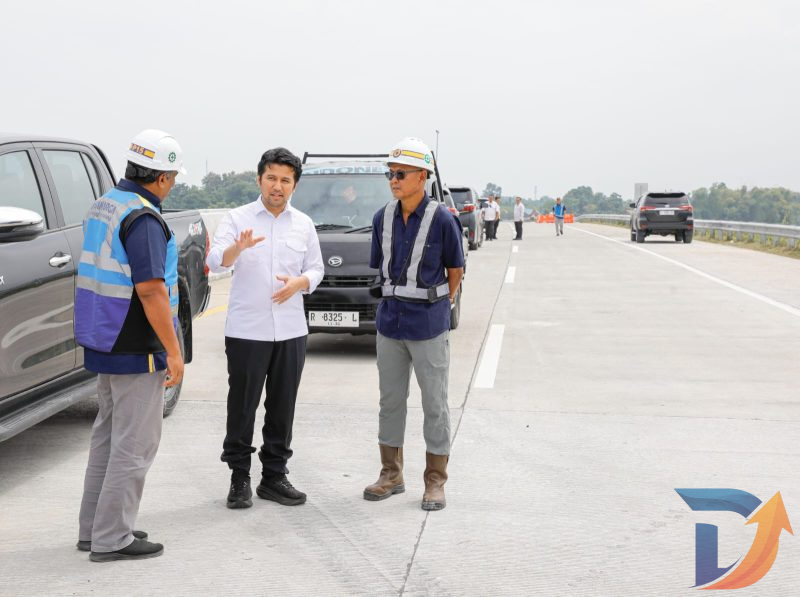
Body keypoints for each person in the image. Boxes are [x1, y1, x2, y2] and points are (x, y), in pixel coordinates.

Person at [75, 129, 186, 562]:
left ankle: (95, 529)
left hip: (104, 335)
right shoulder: (143, 219)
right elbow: (152, 290)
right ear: (162, 178)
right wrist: (174, 350)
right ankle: (113, 538)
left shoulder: (105, 203)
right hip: (134, 341)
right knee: (134, 444)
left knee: (107, 436)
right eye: (173, 177)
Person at [206, 148, 323, 509]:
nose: (277, 186)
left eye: (285, 180)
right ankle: (239, 477)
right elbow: (215, 261)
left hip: (290, 330)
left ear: (294, 186)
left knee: (282, 406)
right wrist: (235, 250)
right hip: (247, 330)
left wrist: (300, 283)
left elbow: (316, 269)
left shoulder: (303, 224)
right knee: (242, 406)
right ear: (259, 180)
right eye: (271, 178)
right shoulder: (237, 218)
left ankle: (274, 476)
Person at [364, 137, 465, 511]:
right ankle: (391, 474)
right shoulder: (382, 218)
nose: (394, 180)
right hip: (390, 325)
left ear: (422, 176)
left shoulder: (442, 219)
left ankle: (435, 481)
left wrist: (440, 305)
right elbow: (381, 268)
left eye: (401, 173)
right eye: (390, 174)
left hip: (429, 326)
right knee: (390, 402)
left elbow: (456, 270)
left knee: (434, 403)